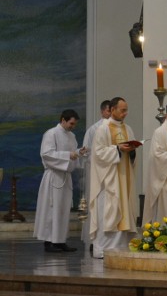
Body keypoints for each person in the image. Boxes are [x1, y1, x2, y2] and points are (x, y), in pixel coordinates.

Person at [89, 97, 138, 259]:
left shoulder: (128, 129)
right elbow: (98, 153)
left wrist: (131, 150)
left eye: (126, 110)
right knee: (109, 210)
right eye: (122, 110)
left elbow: (131, 155)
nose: (126, 113)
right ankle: (103, 249)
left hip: (125, 176)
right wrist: (117, 149)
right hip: (109, 178)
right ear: (112, 110)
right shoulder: (102, 129)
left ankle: (121, 246)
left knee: (123, 209)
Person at [33, 109, 85, 253]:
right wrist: (69, 155)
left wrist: (79, 152)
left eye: (74, 124)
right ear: (63, 120)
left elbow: (73, 154)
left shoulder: (72, 136)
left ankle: (60, 240)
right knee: (52, 208)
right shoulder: (51, 134)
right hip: (54, 175)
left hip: (65, 176)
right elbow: (47, 154)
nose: (72, 127)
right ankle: (49, 242)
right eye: (71, 123)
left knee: (63, 209)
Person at [80, 99, 112, 250]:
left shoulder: (116, 128)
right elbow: (85, 152)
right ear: (102, 112)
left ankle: (107, 241)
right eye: (108, 111)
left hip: (111, 173)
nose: (110, 114)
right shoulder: (94, 129)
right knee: (96, 206)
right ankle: (94, 240)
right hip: (96, 172)